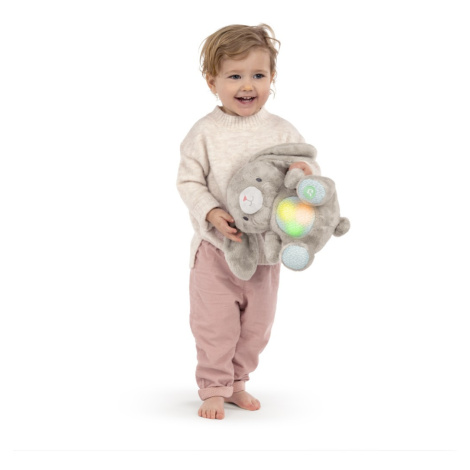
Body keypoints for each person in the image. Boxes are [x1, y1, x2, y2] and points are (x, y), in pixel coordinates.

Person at [176, 24, 320, 420]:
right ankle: (214, 386)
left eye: (258, 75)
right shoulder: (204, 133)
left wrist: (305, 175)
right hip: (216, 251)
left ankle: (238, 382)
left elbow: (303, 173)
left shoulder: (282, 130)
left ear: (272, 78)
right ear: (212, 82)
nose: (247, 85)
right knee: (215, 324)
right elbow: (188, 181)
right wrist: (210, 210)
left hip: (265, 254)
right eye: (234, 76)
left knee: (256, 327)